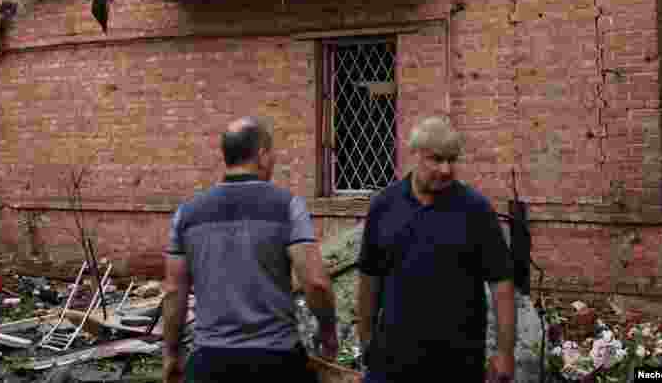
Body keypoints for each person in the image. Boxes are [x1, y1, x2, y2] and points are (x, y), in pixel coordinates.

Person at [161, 117, 339, 383]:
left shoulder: (187, 214)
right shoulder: (287, 206)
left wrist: (171, 353)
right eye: (273, 153)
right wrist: (328, 333)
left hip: (210, 362)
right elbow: (316, 283)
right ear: (262, 155)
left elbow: (174, 292)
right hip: (277, 362)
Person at [356, 115, 516, 382]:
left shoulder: (476, 210)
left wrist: (505, 352)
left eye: (452, 160)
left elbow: (502, 284)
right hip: (392, 361)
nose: (445, 169)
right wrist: (366, 339)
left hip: (457, 363)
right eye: (437, 159)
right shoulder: (384, 206)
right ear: (415, 155)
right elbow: (369, 279)